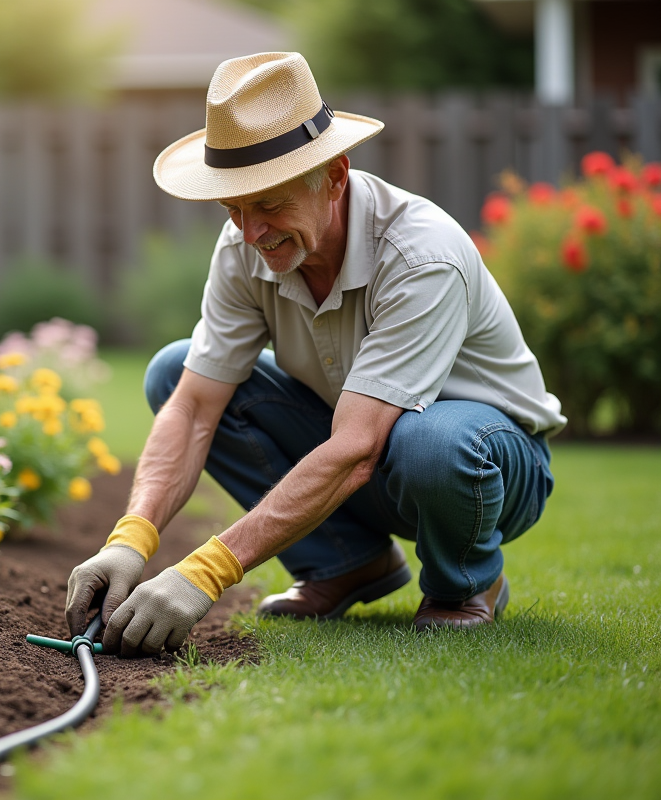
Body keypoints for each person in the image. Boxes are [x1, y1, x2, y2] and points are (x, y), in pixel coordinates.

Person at [64, 52, 565, 656]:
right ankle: (344, 565)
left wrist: (205, 572)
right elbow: (196, 408)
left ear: (334, 176)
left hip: (488, 463)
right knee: (175, 372)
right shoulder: (245, 246)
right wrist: (131, 538)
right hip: (369, 451)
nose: (250, 233)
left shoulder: (420, 257)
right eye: (235, 208)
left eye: (269, 204)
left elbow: (356, 449)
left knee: (430, 440)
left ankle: (464, 584)